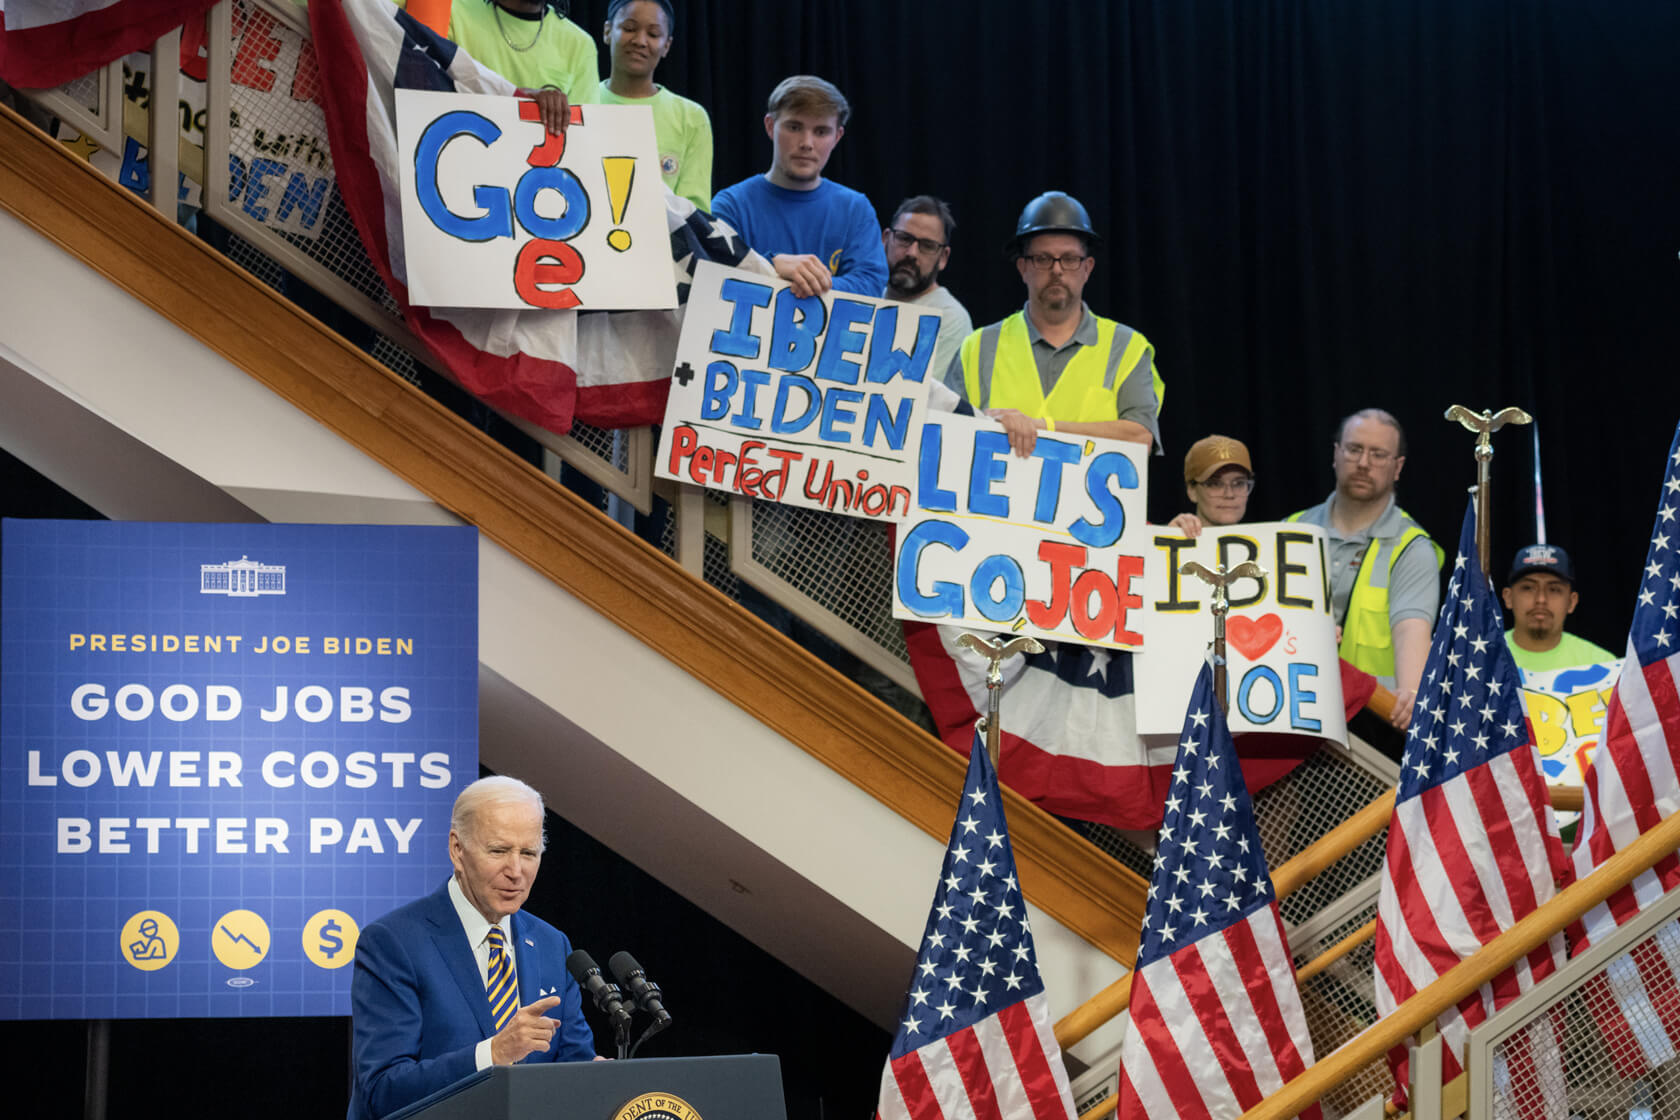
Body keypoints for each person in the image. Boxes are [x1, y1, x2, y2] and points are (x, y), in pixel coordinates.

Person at [349, 776, 595, 1120]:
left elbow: (574, 1066)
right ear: (457, 849)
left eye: (528, 853)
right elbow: (384, 1091)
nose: (516, 871)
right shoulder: (393, 943)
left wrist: (596, 1080)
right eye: (498, 851)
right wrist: (493, 1053)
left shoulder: (552, 944)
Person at [941, 190, 1164, 457]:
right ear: (1023, 268)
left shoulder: (1127, 348)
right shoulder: (976, 348)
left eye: (1069, 259)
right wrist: (987, 424)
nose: (1057, 270)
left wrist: (1042, 428)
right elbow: (944, 439)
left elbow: (1141, 437)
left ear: (1087, 268)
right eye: (1043, 259)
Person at [1288, 408, 1443, 729]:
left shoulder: (1412, 547)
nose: (1363, 463)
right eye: (1355, 449)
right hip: (1293, 712)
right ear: (1336, 454)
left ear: (1397, 467)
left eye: (1378, 454)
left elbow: (1411, 629)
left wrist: (1412, 695)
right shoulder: (1291, 529)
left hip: (1372, 723)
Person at [712, 75, 887, 298]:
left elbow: (871, 283)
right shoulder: (731, 204)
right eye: (794, 127)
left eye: (821, 131)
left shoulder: (856, 209)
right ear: (770, 126)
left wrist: (808, 282)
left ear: (837, 137)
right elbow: (712, 277)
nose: (806, 143)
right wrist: (771, 263)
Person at [592, 0, 713, 211]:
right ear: (607, 31)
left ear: (667, 45)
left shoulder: (691, 117)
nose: (640, 41)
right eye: (629, 28)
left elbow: (695, 212)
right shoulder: (581, 101)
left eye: (654, 34)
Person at [400, 0, 590, 134]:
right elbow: (426, 99)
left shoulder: (581, 43)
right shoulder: (451, 10)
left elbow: (585, 134)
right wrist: (518, 101)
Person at [881, 195, 973, 377]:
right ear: (885, 239)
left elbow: (928, 399)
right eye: (904, 238)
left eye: (927, 246)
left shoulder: (950, 318)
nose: (912, 253)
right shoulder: (863, 296)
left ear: (943, 257)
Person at [1502, 543, 1616, 671]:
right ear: (1509, 597)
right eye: (1528, 588)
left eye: (1554, 589)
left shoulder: (1604, 665)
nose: (1541, 599)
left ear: (1571, 602)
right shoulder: (1482, 658)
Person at [1168, 434, 1254, 537]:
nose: (1229, 494)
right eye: (1215, 484)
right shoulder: (1155, 543)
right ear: (1192, 490)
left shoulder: (1269, 546)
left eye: (1239, 483)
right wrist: (1167, 537)